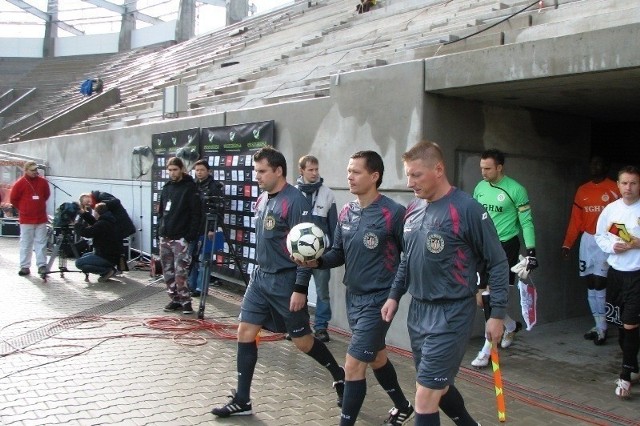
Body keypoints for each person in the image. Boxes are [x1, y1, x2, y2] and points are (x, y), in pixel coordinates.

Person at [210, 146, 345, 417]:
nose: (257, 176)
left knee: (302, 341)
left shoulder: (295, 202)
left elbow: (307, 252)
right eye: (256, 171)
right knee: (245, 332)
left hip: (286, 282)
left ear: (278, 171)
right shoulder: (263, 199)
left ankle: (339, 374)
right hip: (260, 279)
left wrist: (299, 288)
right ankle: (243, 400)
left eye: (262, 171)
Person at [381, 141, 509, 426]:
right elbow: (406, 259)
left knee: (425, 396)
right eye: (408, 175)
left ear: (438, 169)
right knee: (437, 385)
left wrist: (497, 314)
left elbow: (497, 262)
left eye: (416, 175)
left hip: (452, 313)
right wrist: (393, 296)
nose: (410, 182)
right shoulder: (413, 210)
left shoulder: (467, 209)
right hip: (418, 312)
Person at [299, 151, 413, 425]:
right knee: (375, 357)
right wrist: (316, 261)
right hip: (354, 298)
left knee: (352, 365)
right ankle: (403, 406)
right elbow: (338, 253)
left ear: (374, 177)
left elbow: (408, 259)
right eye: (349, 171)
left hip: (379, 300)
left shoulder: (394, 213)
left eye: (356, 172)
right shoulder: (347, 211)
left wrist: (394, 296)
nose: (349, 176)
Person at [470, 148, 537, 367]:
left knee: (492, 294)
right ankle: (509, 325)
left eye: (488, 168)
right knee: (481, 297)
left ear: (500, 167)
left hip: (505, 246)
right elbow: (472, 216)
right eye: (481, 168)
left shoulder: (516, 190)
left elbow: (526, 222)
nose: (483, 172)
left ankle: (487, 349)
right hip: (482, 246)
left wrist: (532, 251)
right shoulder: (480, 187)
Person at [562, 156, 620, 345]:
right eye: (592, 163)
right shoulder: (583, 190)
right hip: (588, 240)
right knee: (590, 283)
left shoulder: (615, 188)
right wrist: (567, 243)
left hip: (606, 240)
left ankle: (602, 329)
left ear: (606, 166)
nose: (595, 166)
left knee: (599, 282)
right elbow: (576, 220)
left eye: (599, 162)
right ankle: (599, 324)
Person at [594, 166, 640, 398]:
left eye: (633, 183)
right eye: (624, 183)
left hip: (637, 274)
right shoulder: (611, 210)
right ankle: (633, 367)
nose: (628, 188)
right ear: (618, 185)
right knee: (622, 324)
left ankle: (624, 376)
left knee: (631, 323)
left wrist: (638, 243)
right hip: (616, 273)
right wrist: (613, 246)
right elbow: (600, 235)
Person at [295, 155, 338, 342]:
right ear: (302, 171)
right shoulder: (293, 193)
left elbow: (334, 225)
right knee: (298, 290)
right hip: (298, 254)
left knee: (322, 292)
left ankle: (321, 327)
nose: (314, 173)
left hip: (321, 254)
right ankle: (299, 326)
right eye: (310, 169)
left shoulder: (327, 193)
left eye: (316, 169)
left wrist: (332, 249)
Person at [157, 157, 201, 315]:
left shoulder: (190, 188)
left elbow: (196, 214)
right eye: (169, 170)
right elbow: (161, 211)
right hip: (165, 236)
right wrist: (160, 230)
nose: (172, 173)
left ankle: (185, 301)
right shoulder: (166, 187)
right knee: (167, 270)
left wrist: (190, 236)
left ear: (182, 169)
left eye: (175, 169)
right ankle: (174, 299)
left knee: (180, 271)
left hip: (181, 238)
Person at [187, 159, 223, 297]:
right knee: (192, 259)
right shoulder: (193, 186)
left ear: (208, 171)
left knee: (205, 261)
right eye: (197, 170)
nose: (199, 173)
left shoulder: (214, 187)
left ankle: (201, 289)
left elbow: (219, 210)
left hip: (207, 229)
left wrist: (212, 228)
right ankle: (191, 285)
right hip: (194, 229)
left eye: (202, 170)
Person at [10, 161, 50, 276]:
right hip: (26, 218)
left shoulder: (43, 182)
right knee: (26, 243)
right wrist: (23, 208)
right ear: (26, 170)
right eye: (32, 170)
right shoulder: (20, 183)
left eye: (36, 170)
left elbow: (46, 195)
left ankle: (42, 265)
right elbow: (14, 199)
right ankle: (25, 266)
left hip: (41, 217)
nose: (35, 172)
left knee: (41, 243)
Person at [90, 190, 136, 271]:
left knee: (116, 246)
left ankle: (118, 266)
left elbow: (116, 201)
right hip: (117, 226)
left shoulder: (102, 196)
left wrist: (102, 206)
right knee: (115, 246)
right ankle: (118, 266)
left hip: (121, 226)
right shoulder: (98, 200)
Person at [75, 202, 121, 282]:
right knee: (84, 255)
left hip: (106, 256)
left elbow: (87, 233)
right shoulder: (108, 220)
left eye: (94, 211)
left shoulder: (102, 224)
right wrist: (83, 213)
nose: (93, 213)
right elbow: (94, 223)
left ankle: (107, 271)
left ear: (97, 212)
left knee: (79, 263)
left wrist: (76, 225)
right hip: (111, 255)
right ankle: (108, 270)